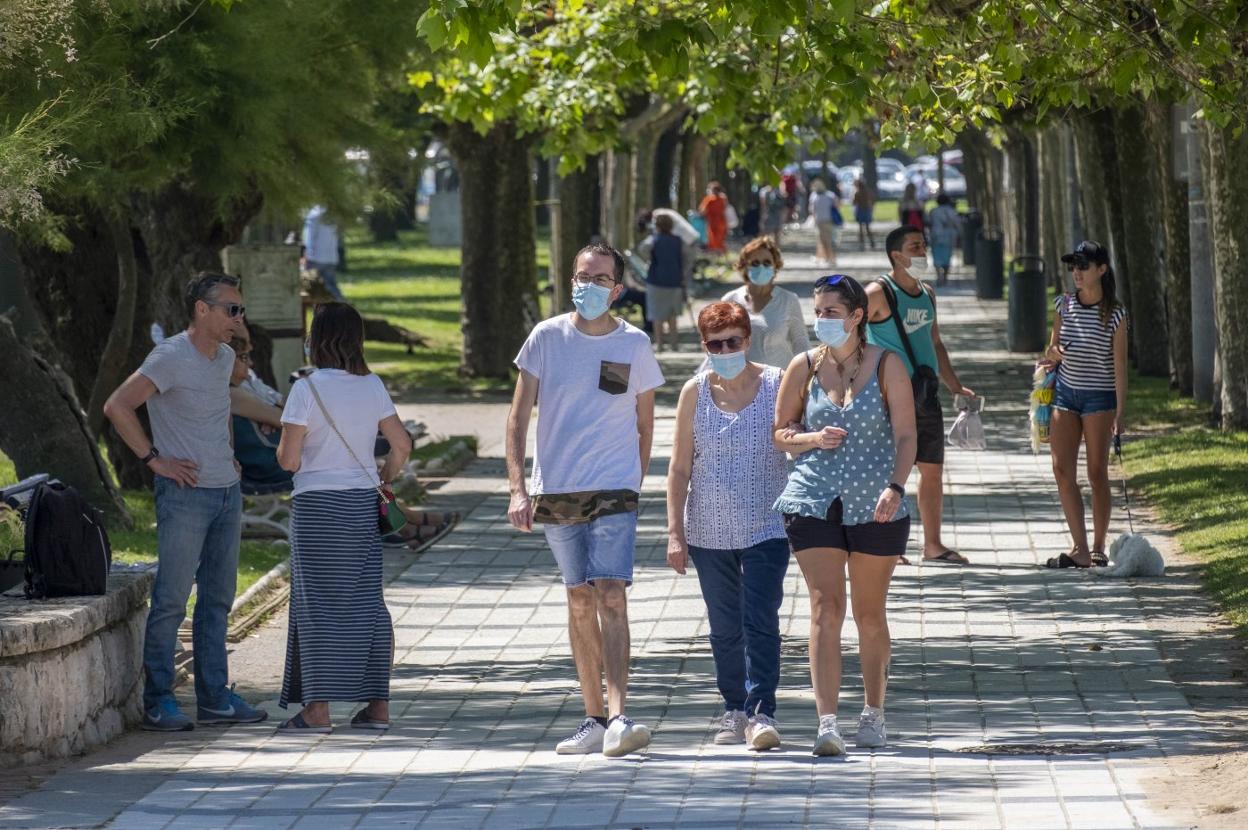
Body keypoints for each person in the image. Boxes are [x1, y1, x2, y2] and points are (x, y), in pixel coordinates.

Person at [506, 243, 664, 757]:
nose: (588, 286)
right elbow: (517, 416)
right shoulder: (545, 339)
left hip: (615, 486)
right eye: (581, 276)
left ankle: (620, 715)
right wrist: (516, 487)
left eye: (600, 279)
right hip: (557, 487)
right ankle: (593, 717)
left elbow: (645, 425)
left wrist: (634, 485)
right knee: (579, 597)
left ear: (618, 289)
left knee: (611, 592)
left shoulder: (635, 344)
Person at [103, 272, 268, 731]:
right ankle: (159, 701)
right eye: (231, 309)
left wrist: (230, 457)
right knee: (172, 600)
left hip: (225, 494)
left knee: (217, 601)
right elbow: (117, 406)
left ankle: (215, 698)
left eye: (240, 310)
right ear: (202, 309)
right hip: (183, 497)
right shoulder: (170, 355)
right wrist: (155, 460)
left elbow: (220, 408)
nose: (239, 318)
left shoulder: (225, 358)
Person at [772, 274, 917, 755]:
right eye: (818, 312)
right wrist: (813, 439)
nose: (822, 321)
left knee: (869, 614)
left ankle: (874, 713)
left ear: (857, 316)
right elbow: (781, 431)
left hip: (876, 501)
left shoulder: (886, 365)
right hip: (813, 498)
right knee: (824, 608)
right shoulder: (804, 366)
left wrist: (896, 486)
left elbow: (906, 436)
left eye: (832, 312)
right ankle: (826, 723)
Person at [274, 302, 412, 732]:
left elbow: (289, 460)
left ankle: (317, 710)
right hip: (359, 507)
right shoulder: (371, 385)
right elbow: (401, 445)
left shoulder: (305, 389)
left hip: (317, 508)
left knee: (316, 607)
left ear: (316, 339)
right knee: (367, 604)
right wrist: (382, 476)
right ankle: (378, 705)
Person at [665, 302, 792, 751]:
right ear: (705, 346)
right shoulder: (693, 392)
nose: (725, 350)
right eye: (715, 344)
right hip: (708, 529)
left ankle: (762, 711)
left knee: (761, 618)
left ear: (747, 340)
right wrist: (675, 532)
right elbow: (679, 468)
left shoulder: (777, 383)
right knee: (724, 626)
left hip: (767, 524)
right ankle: (733, 707)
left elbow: (797, 440)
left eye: (732, 341)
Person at [866, 226, 975, 565]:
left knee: (931, 469)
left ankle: (933, 545)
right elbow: (849, 334)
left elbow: (936, 342)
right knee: (887, 470)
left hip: (925, 394)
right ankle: (886, 543)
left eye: (923, 246)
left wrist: (955, 385)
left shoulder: (928, 293)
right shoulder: (878, 293)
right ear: (896, 255)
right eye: (915, 247)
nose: (923, 252)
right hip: (888, 396)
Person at [1040, 241, 1128, 569]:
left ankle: (1098, 546)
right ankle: (1079, 547)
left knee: (1096, 472)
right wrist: (1053, 353)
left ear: (1101, 270)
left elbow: (1119, 366)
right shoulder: (1064, 305)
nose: (1076, 272)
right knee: (1062, 469)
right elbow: (1051, 348)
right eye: (1073, 266)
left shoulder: (1116, 313)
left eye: (1083, 266)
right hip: (1066, 394)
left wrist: (1121, 411)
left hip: (1099, 398)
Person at [721, 236, 810, 368]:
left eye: (767, 263)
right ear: (745, 266)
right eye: (755, 263)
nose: (761, 267)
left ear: (775, 266)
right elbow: (719, 344)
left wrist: (806, 378)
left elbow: (801, 344)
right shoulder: (730, 300)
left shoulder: (788, 300)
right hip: (742, 382)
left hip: (781, 382)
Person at [638, 213, 686, 352]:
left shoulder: (654, 239)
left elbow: (642, 249)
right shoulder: (678, 240)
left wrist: (649, 258)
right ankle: (674, 344)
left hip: (655, 281)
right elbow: (685, 258)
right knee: (672, 315)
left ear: (656, 225)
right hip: (675, 281)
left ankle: (659, 345)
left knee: (657, 315)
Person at [303, 205, 344, 301]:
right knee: (331, 285)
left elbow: (309, 237)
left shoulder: (314, 214)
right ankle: (341, 304)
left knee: (313, 286)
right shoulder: (333, 215)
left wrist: (307, 254)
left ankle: (339, 306)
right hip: (331, 257)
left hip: (316, 257)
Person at [927, 193, 961, 285]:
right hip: (949, 237)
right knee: (947, 257)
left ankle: (939, 276)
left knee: (936, 257)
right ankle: (945, 277)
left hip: (936, 236)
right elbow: (957, 224)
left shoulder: (933, 211)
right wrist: (959, 234)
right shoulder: (952, 211)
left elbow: (929, 223)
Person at [808, 178, 841, 267]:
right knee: (828, 240)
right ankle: (830, 258)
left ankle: (828, 258)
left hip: (820, 220)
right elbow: (837, 205)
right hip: (828, 220)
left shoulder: (814, 196)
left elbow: (812, 209)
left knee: (824, 241)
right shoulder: (830, 195)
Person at [699, 182, 729, 254]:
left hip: (713, 222)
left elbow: (702, 211)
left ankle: (717, 254)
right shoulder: (723, 198)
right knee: (720, 239)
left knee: (713, 239)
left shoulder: (709, 199)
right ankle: (721, 254)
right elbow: (725, 207)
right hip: (721, 222)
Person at [852, 178, 875, 250]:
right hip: (867, 210)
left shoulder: (857, 193)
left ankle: (862, 243)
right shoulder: (868, 191)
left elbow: (854, 202)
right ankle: (871, 241)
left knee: (860, 228)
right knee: (868, 227)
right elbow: (873, 200)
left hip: (860, 210)